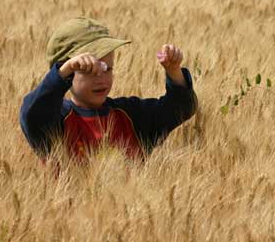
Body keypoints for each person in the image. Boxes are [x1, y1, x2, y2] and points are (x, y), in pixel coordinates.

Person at [19, 17, 197, 162]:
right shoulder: (56, 123)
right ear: (66, 75)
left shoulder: (131, 116)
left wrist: (174, 71)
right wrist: (64, 70)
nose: (101, 79)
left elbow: (180, 109)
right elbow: (32, 114)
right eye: (89, 70)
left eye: (108, 69)